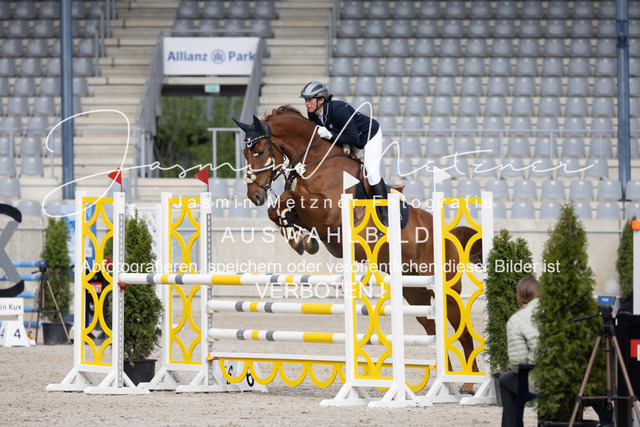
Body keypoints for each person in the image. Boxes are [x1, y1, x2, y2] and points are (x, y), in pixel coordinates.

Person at [300, 81, 388, 226]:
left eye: (309, 100)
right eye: (305, 100)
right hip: (349, 137)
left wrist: (330, 135)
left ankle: (386, 216)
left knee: (372, 174)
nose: (306, 104)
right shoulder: (313, 115)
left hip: (368, 135)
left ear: (321, 99)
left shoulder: (339, 110)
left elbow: (354, 139)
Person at [499, 277, 541, 427]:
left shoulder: (516, 320)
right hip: (570, 377)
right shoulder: (556, 311)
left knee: (505, 380)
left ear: (519, 297)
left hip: (540, 380)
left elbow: (518, 363)